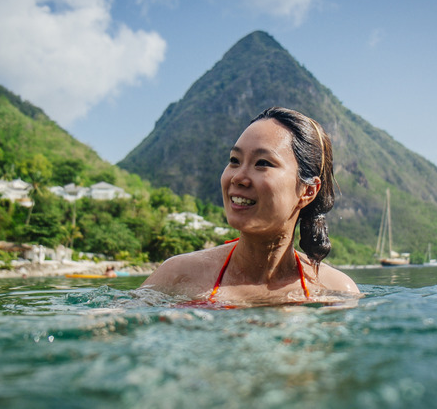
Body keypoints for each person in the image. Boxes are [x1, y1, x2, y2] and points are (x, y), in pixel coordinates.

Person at [142, 107, 359, 304]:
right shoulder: (177, 275)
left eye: (262, 163)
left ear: (307, 191)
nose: (238, 177)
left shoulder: (336, 292)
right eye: (234, 160)